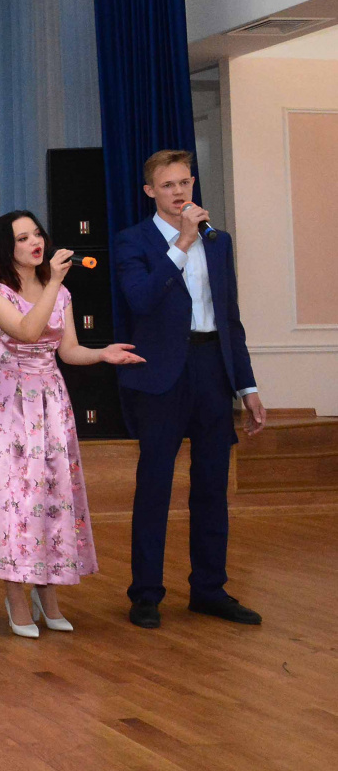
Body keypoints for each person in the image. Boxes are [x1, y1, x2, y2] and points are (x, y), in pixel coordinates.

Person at [0, 212, 145, 637]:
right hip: (8, 403)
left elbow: (68, 350)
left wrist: (102, 354)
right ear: (7, 249)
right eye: (22, 238)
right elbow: (27, 331)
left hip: (50, 401)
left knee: (52, 496)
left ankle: (49, 591)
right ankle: (15, 595)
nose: (34, 242)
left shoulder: (60, 292)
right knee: (14, 500)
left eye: (37, 233)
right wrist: (54, 283)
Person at [114, 149, 267, 630]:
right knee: (155, 485)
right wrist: (180, 242)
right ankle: (146, 594)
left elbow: (230, 318)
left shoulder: (217, 241)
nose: (178, 192)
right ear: (150, 192)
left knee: (212, 486)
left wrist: (247, 385)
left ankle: (209, 589)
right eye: (168, 185)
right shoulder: (132, 241)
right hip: (160, 375)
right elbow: (141, 299)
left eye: (184, 182)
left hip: (212, 369)